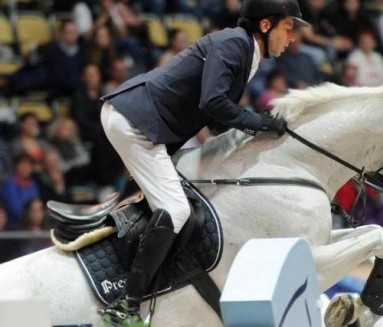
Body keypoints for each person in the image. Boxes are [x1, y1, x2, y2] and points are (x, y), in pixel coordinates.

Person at [98, 0, 310, 324]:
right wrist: (258, 122)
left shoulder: (246, 53)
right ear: (266, 25)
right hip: (136, 122)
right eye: (289, 28)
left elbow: (214, 121)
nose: (293, 38)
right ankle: (125, 305)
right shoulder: (233, 43)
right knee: (177, 210)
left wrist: (258, 127)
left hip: (144, 123)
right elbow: (212, 101)